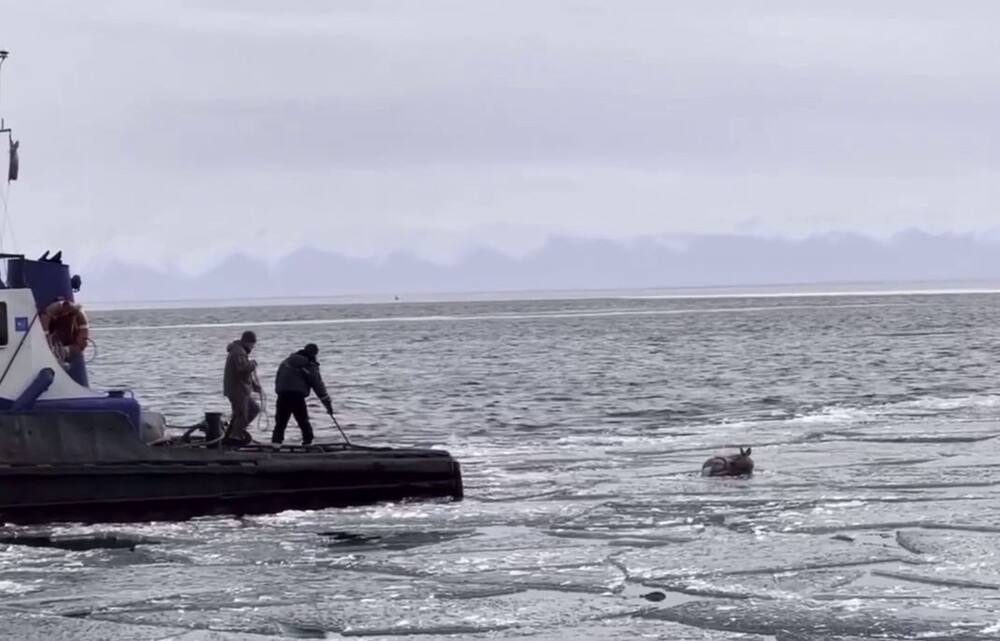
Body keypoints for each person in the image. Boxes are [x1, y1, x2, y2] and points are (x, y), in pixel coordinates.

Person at [271, 343, 333, 447]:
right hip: (297, 396)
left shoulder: (286, 362)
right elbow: (318, 385)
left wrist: (279, 391)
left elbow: (278, 378)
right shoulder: (309, 365)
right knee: (303, 422)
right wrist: (328, 405)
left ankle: (275, 445)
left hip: (282, 394)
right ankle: (308, 444)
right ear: (314, 354)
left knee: (280, 423)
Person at [40, 297, 90, 386]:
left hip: (63, 342)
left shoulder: (73, 311)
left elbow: (83, 326)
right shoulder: (53, 312)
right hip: (55, 340)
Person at [223, 330, 261, 445]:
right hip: (237, 390)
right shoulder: (238, 352)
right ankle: (234, 438)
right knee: (241, 415)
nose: (253, 347)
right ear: (248, 342)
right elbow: (241, 370)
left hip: (242, 389)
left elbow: (244, 373)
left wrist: (254, 385)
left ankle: (234, 433)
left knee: (253, 409)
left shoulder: (241, 351)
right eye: (252, 344)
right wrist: (252, 364)